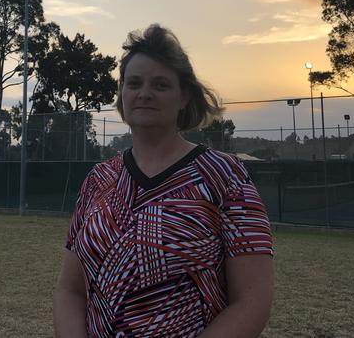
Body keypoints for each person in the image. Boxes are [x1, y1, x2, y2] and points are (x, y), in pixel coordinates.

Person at [53, 24, 274, 337]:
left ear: (183, 96)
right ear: (122, 94)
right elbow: (70, 291)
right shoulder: (98, 180)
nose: (144, 93)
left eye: (160, 84)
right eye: (134, 83)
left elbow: (253, 301)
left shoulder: (225, 176)